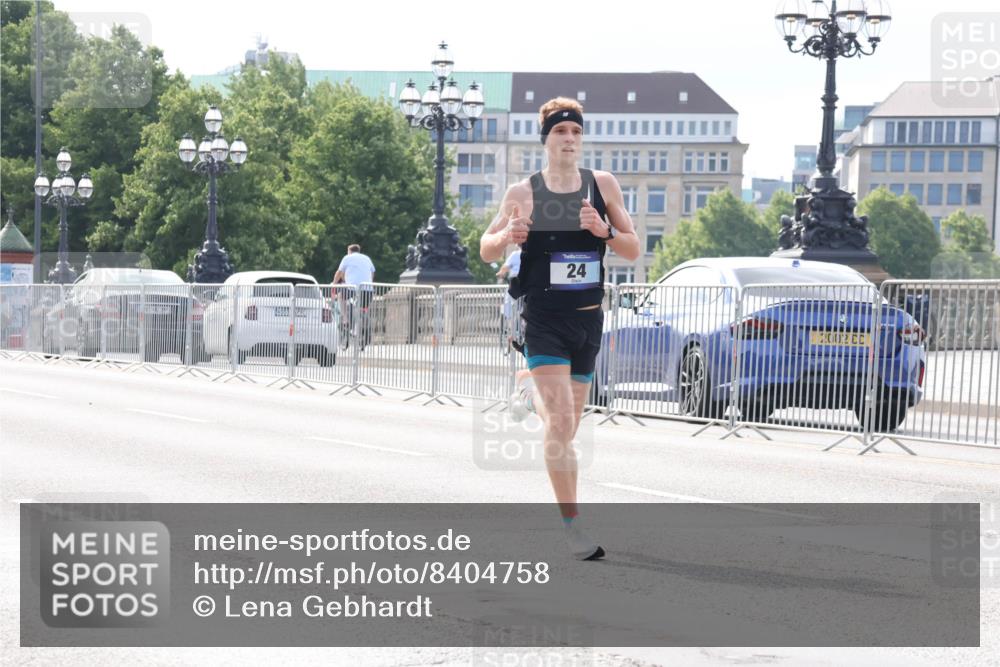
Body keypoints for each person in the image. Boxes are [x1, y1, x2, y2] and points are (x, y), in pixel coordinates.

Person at [479, 97, 640, 560]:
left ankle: (527, 390)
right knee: (563, 421)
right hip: (544, 319)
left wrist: (604, 231)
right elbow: (487, 249)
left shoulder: (602, 186)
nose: (569, 140)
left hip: (588, 319)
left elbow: (630, 249)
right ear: (545, 139)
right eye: (559, 133)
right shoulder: (522, 193)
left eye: (575, 133)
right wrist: (508, 236)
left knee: (565, 429)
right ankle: (573, 528)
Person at [333, 244, 376, 344]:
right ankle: (358, 328)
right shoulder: (367, 258)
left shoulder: (347, 258)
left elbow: (338, 273)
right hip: (368, 290)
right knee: (361, 309)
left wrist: (334, 285)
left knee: (341, 296)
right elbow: (372, 272)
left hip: (353, 289)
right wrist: (370, 283)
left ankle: (345, 320)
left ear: (349, 251)